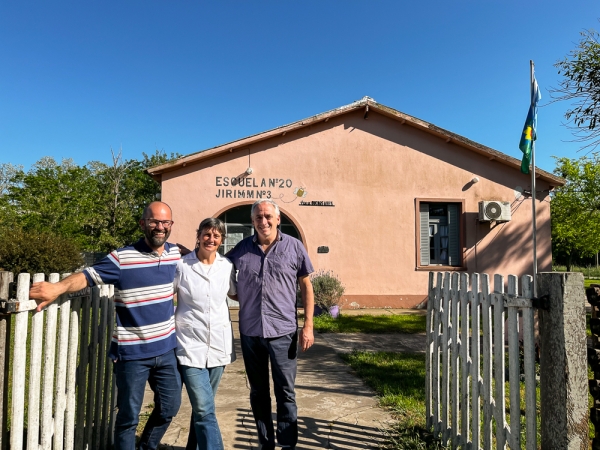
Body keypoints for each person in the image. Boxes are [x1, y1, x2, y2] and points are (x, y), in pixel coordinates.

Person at [29, 201, 181, 450]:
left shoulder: (176, 254)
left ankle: (147, 447)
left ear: (171, 225)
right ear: (143, 224)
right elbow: (86, 276)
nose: (160, 227)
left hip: (166, 350)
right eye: (154, 221)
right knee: (129, 418)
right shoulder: (121, 258)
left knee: (170, 407)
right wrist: (57, 288)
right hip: (132, 354)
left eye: (166, 222)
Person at [227, 199, 315, 450]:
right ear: (252, 221)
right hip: (250, 333)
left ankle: (287, 444)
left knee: (285, 392)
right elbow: (214, 268)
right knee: (258, 392)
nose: (263, 221)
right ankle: (266, 443)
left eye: (267, 216)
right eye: (258, 217)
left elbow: (306, 286)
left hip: (283, 333)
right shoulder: (240, 249)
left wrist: (308, 326)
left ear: (278, 219)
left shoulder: (294, 247)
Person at [174, 218, 237, 450]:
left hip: (219, 346)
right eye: (207, 234)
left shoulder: (227, 266)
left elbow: (236, 293)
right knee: (204, 407)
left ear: (222, 239)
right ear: (198, 235)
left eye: (216, 235)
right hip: (189, 345)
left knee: (204, 406)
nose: (211, 239)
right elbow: (165, 296)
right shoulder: (181, 265)